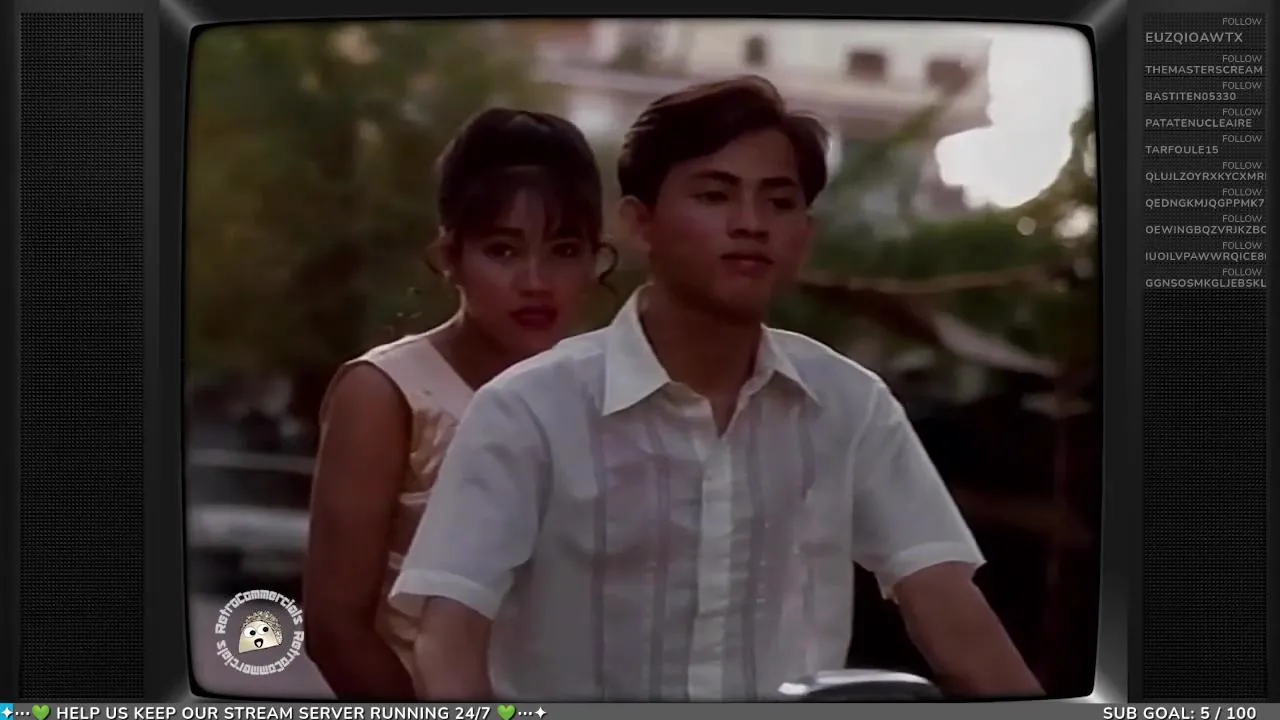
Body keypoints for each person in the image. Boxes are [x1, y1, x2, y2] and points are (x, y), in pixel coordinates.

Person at [390, 76, 1044, 701]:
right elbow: (448, 637)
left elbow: (949, 610)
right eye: (715, 195)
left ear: (804, 236)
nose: (751, 223)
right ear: (638, 224)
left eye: (778, 202)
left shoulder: (850, 405)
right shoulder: (528, 410)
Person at [303, 107, 611, 700]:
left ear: (597, 259)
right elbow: (334, 628)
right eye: (503, 251)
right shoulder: (386, 393)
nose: (535, 281)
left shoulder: (610, 392)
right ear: (450, 257)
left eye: (564, 250)